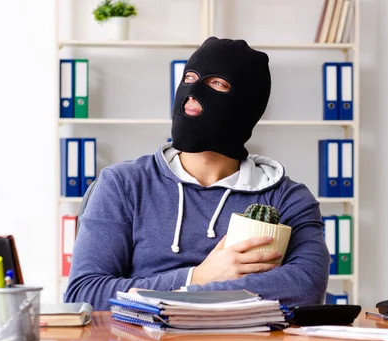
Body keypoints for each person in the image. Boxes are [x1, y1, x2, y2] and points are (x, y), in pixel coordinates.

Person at [64, 37, 330, 311]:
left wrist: (174, 293)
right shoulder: (123, 184)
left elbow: (305, 287)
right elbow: (84, 294)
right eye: (189, 78)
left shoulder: (286, 197)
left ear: (246, 104)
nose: (192, 92)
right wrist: (198, 277)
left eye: (216, 83)